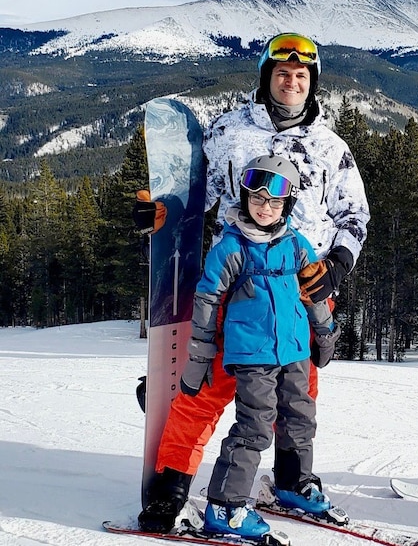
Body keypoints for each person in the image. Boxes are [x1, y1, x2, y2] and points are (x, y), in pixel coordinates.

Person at [135, 32, 370, 533]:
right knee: (205, 390)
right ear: (267, 78)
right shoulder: (228, 132)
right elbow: (198, 197)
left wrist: (336, 267)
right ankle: (170, 487)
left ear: (313, 83)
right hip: (236, 293)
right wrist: (161, 211)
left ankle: (290, 480)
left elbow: (355, 215)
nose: (292, 82)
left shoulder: (331, 147)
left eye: (302, 75)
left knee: (295, 399)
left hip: (299, 295)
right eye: (282, 73)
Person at [182, 154, 326, 538]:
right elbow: (207, 301)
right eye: (257, 198)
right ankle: (224, 506)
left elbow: (314, 291)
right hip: (253, 355)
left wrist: (325, 332)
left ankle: (293, 483)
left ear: (287, 205)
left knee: (299, 418)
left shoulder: (296, 244)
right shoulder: (231, 248)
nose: (265, 207)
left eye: (275, 201)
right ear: (245, 199)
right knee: (255, 426)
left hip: (294, 349)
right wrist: (200, 355)